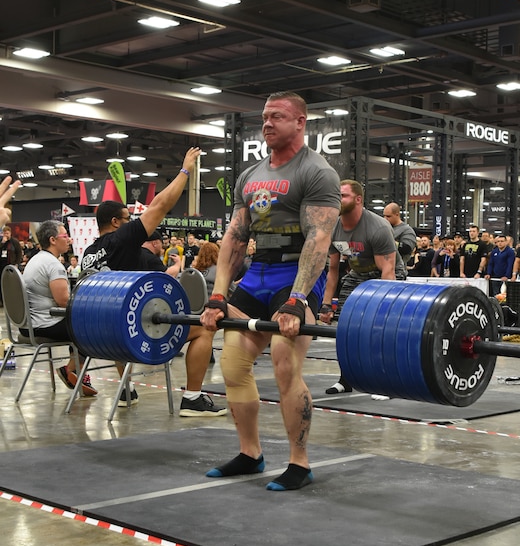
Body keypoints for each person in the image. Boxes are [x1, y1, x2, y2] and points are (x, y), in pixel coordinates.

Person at [200, 90, 340, 492]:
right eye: (264, 116)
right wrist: (219, 294)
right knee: (231, 366)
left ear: (300, 122)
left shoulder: (317, 172)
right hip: (257, 277)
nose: (266, 123)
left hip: (294, 279)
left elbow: (318, 239)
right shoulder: (251, 175)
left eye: (277, 116)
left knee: (284, 362)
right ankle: (250, 454)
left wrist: (297, 300)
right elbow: (235, 238)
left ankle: (300, 462)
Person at [82, 147, 226, 416]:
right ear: (116, 223)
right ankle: (193, 398)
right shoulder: (120, 240)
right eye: (128, 220)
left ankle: (127, 391)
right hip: (128, 338)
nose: (132, 223)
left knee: (116, 312)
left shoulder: (88, 255)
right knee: (205, 329)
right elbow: (160, 205)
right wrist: (185, 170)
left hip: (100, 338)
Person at [319, 180, 400, 394]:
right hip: (357, 274)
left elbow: (388, 271)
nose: (338, 199)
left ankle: (385, 383)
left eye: (343, 195)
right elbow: (333, 270)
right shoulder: (333, 227)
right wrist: (326, 305)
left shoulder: (377, 227)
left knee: (379, 330)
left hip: (386, 275)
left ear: (358, 199)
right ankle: (345, 380)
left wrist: (383, 309)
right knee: (345, 329)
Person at [22, 220, 97, 396]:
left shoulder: (36, 259)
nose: (69, 239)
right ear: (53, 240)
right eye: (65, 236)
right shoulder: (53, 265)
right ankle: (70, 370)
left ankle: (76, 371)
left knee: (79, 325)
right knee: (90, 328)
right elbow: (64, 301)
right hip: (43, 324)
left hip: (28, 324)